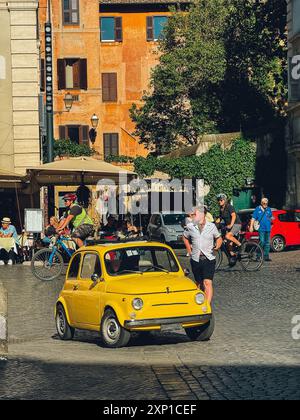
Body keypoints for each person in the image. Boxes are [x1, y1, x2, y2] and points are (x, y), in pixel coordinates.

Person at [183, 207, 222, 305]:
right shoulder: (191, 226)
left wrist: (218, 245)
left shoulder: (211, 226)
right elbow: (184, 237)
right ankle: (198, 303)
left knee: (207, 283)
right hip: (196, 258)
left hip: (208, 259)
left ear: (204, 214)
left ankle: (207, 305)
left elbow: (218, 238)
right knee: (199, 284)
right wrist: (189, 250)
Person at [217, 194, 242, 259]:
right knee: (228, 244)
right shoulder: (221, 209)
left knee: (227, 236)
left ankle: (239, 245)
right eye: (218, 200)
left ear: (224, 200)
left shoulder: (229, 206)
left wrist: (231, 225)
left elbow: (234, 216)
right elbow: (219, 219)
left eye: (221, 200)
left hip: (236, 224)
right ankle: (233, 257)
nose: (219, 201)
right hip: (229, 226)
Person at [250, 198, 273, 262]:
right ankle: (258, 256)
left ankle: (266, 256)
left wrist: (272, 220)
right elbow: (253, 218)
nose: (265, 204)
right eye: (264, 203)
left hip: (268, 228)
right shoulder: (257, 209)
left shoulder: (268, 209)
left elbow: (271, 217)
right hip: (261, 229)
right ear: (261, 203)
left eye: (266, 203)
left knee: (267, 243)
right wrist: (251, 226)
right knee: (262, 242)